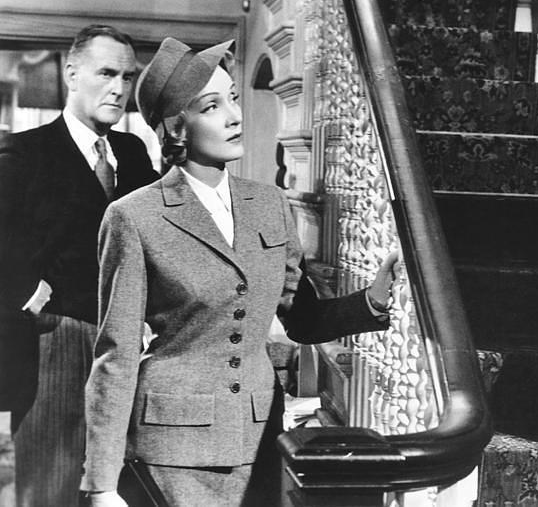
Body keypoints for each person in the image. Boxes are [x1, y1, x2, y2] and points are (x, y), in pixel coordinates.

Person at [79, 37, 396, 506]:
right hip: (174, 445)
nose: (234, 115)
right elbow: (116, 354)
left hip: (259, 436)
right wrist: (102, 483)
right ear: (176, 127)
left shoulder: (269, 204)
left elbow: (302, 319)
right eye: (212, 106)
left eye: (232, 97)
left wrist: (371, 301)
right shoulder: (133, 216)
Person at [0, 25, 158, 506]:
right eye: (106, 73)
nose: (119, 89)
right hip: (54, 343)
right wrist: (29, 295)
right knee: (50, 490)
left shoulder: (132, 153)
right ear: (72, 74)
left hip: (126, 344)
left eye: (127, 77)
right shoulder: (24, 152)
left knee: (112, 489)